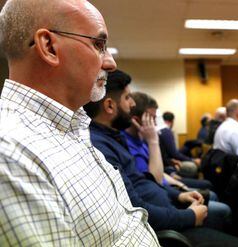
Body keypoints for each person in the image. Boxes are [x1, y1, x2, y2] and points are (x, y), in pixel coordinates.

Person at [0, 0, 159, 245]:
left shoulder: (72, 127)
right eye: (98, 44)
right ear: (49, 47)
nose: (111, 63)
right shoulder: (10, 153)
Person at [84, 70, 238, 247]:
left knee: (220, 210)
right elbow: (136, 208)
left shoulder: (113, 138)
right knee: (222, 211)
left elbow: (144, 181)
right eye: (127, 98)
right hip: (166, 228)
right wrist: (190, 216)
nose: (131, 104)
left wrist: (178, 195)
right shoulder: (101, 146)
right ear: (110, 106)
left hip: (169, 207)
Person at [123, 92, 213, 190]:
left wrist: (180, 185)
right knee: (210, 191)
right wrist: (153, 141)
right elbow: (156, 182)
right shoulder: (132, 145)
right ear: (136, 120)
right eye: (152, 119)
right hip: (161, 191)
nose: (156, 123)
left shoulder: (142, 140)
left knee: (207, 186)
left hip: (168, 182)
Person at [159, 111, 200, 178]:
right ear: (172, 121)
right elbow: (174, 154)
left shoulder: (161, 131)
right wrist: (192, 160)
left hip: (166, 162)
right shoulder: (166, 131)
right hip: (167, 165)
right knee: (192, 167)